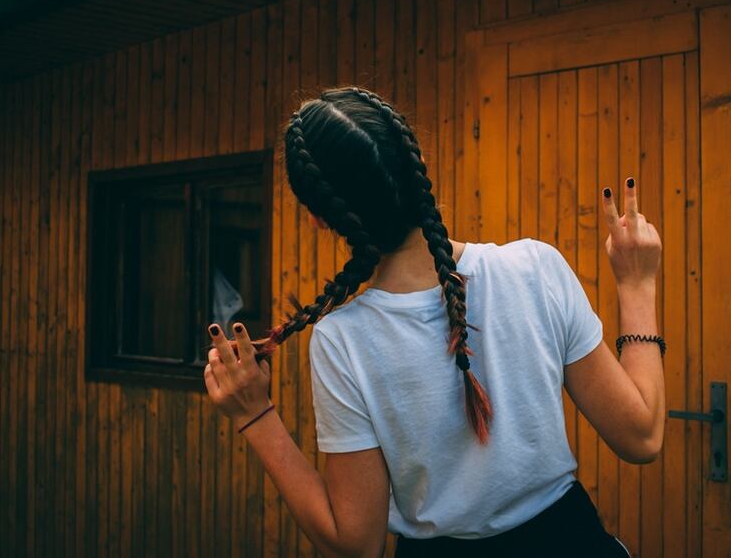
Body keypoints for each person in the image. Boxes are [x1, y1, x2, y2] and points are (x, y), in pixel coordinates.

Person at [203, 86, 664, 557]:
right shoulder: (536, 266)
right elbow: (642, 435)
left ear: (320, 217)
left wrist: (255, 415)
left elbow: (357, 544)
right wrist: (636, 283)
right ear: (414, 168)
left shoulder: (343, 341)